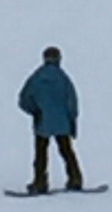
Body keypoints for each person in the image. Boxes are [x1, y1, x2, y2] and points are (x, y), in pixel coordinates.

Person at [17, 46, 84, 194]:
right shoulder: (64, 78)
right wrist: (72, 122)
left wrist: (36, 111)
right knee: (67, 151)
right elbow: (72, 103)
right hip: (62, 123)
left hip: (43, 122)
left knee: (41, 153)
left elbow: (23, 99)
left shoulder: (36, 77)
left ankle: (40, 182)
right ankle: (75, 179)